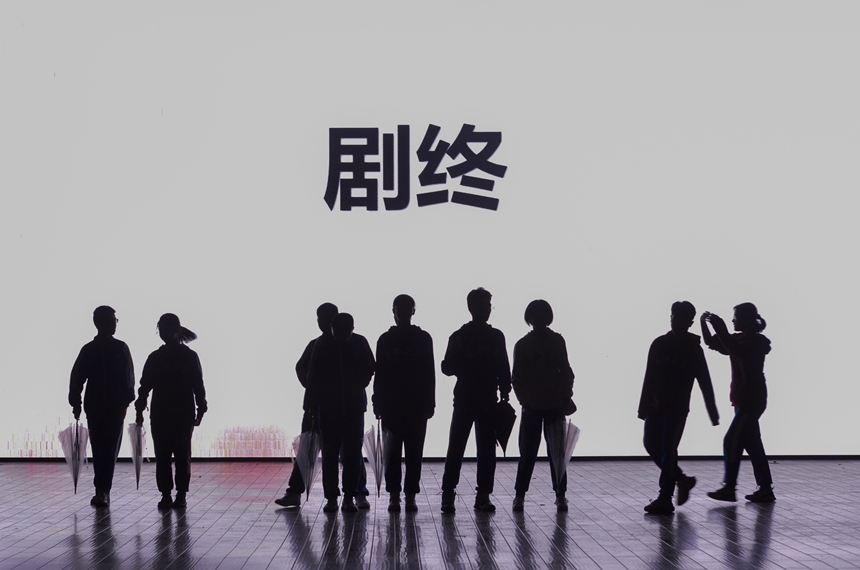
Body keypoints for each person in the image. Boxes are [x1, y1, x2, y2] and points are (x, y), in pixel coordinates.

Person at [638, 301, 720, 514]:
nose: (675, 322)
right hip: (656, 406)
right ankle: (682, 480)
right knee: (651, 445)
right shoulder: (659, 344)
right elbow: (649, 376)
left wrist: (712, 411)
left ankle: (665, 497)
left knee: (668, 449)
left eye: (681, 319)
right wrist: (643, 407)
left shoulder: (693, 349)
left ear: (689, 322)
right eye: (674, 317)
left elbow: (704, 380)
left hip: (677, 409)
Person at [440, 287, 511, 513]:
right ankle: (481, 496)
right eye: (485, 305)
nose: (487, 310)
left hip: (468, 397)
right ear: (472, 307)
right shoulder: (494, 336)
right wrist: (505, 391)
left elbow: (447, 368)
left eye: (488, 306)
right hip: (484, 399)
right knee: (483, 450)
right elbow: (503, 367)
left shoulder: (460, 335)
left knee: (458, 447)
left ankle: (450, 494)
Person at [702, 303, 775, 503]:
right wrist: (705, 323)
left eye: (735, 317)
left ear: (745, 320)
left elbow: (735, 349)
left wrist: (720, 327)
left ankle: (729, 487)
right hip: (743, 400)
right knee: (753, 445)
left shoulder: (756, 343)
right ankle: (765, 489)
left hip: (750, 401)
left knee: (731, 440)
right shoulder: (738, 339)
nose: (733, 321)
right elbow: (712, 342)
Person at [135, 314, 207, 509]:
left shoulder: (155, 358)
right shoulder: (189, 357)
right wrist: (201, 408)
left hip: (160, 413)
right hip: (183, 413)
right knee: (182, 456)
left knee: (163, 456)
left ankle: (166, 495)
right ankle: (180, 495)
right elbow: (198, 385)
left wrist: (140, 410)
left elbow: (144, 387)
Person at [511, 300, 575, 513]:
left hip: (534, 406)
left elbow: (517, 378)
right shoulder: (556, 341)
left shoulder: (523, 344)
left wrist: (525, 401)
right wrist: (565, 396)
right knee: (556, 454)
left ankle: (520, 495)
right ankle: (560, 496)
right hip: (551, 404)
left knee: (528, 453)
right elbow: (566, 371)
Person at [307, 313, 375, 513]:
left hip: (333, 408)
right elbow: (370, 368)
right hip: (349, 407)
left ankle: (336, 498)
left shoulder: (323, 344)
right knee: (348, 454)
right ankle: (346, 497)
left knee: (335, 454)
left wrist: (312, 405)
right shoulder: (358, 342)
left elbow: (312, 376)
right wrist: (359, 385)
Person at [373, 294, 435, 513]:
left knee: (397, 453)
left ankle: (397, 496)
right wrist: (430, 402)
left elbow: (380, 374)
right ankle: (406, 496)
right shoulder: (422, 338)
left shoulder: (385, 340)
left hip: (396, 405)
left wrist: (378, 401)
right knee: (411, 453)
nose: (403, 312)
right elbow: (429, 373)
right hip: (412, 404)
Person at [69, 305, 135, 508]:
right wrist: (76, 402)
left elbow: (77, 378)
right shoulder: (115, 349)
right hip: (103, 408)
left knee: (104, 450)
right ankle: (103, 490)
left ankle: (102, 490)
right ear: (101, 323)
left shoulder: (92, 349)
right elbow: (128, 379)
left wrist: (76, 402)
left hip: (107, 407)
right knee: (103, 450)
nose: (115, 324)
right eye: (113, 320)